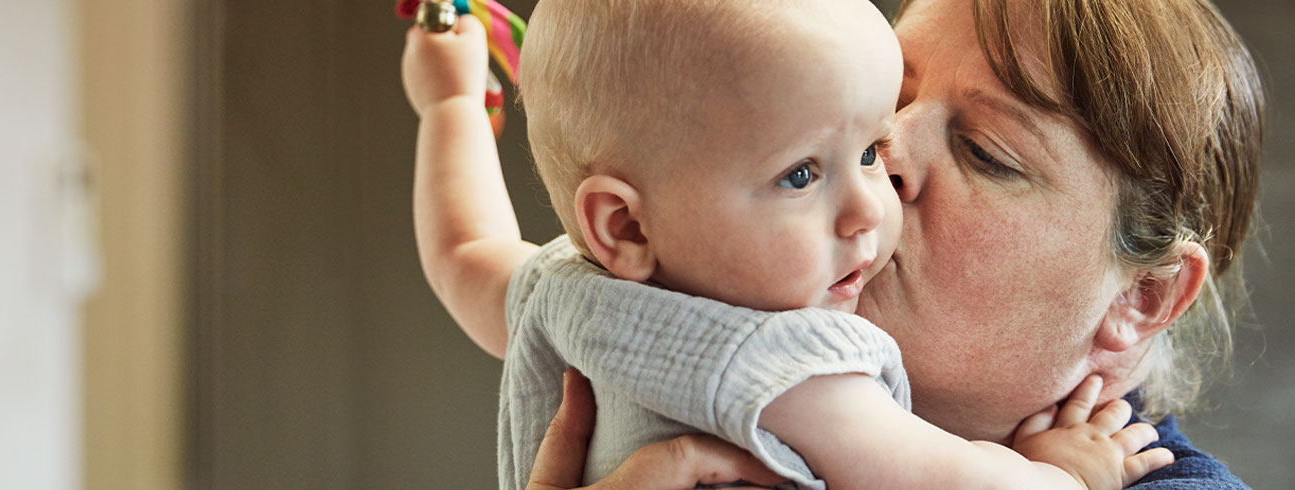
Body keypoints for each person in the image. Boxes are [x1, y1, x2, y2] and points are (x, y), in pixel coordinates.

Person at [402, 0, 1172, 488]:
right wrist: (1063, 475)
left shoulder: (569, 294)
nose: (874, 198)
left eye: (866, 146)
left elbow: (463, 249)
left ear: (1147, 296)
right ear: (625, 226)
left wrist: (450, 107)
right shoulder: (793, 364)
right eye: (801, 172)